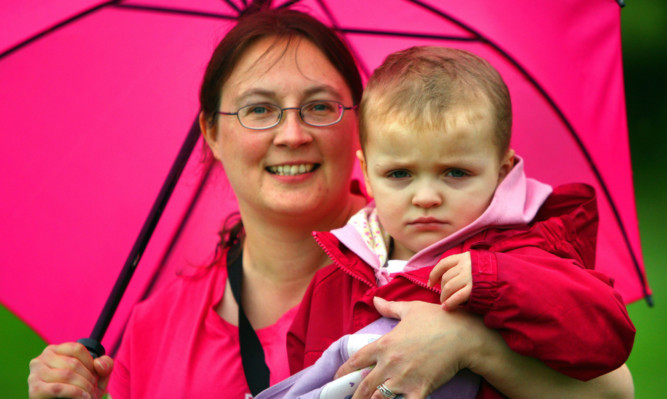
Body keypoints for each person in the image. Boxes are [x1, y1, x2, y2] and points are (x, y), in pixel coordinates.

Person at [27, 5, 634, 399]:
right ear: (211, 132)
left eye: (320, 106)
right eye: (258, 109)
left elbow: (616, 391)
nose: (292, 134)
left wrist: (468, 343)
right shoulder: (154, 325)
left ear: (360, 130)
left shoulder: (452, 252)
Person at [286, 46, 635, 399]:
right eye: (399, 173)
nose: (425, 196)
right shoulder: (333, 280)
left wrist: (496, 279)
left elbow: (607, 335)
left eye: (455, 172)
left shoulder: (524, 254)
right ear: (367, 173)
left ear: (502, 172)